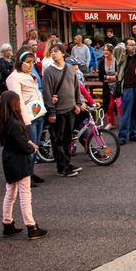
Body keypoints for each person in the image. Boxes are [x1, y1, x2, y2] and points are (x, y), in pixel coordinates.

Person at [0, 91, 48, 240]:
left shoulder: (3, 120)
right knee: (25, 194)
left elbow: (14, 141)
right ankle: (31, 226)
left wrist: (27, 143)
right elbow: (22, 145)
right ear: (14, 104)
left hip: (8, 159)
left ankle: (7, 223)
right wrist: (31, 147)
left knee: (10, 192)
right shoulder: (15, 122)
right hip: (19, 160)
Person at [42, 43, 84, 177]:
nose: (53, 53)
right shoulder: (48, 71)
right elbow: (47, 93)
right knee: (57, 140)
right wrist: (51, 111)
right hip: (58, 111)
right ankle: (61, 167)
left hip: (70, 109)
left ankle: (68, 162)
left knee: (68, 138)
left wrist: (78, 103)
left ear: (63, 53)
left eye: (56, 51)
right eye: (52, 51)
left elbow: (76, 87)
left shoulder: (70, 69)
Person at [6, 49, 46, 186]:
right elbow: (18, 101)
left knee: (35, 146)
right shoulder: (14, 77)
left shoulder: (29, 74)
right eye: (27, 62)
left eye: (32, 62)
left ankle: (31, 172)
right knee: (29, 146)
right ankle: (25, 176)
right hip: (28, 117)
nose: (30, 65)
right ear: (20, 62)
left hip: (38, 114)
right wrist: (25, 120)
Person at [98, 44, 122, 129]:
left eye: (107, 50)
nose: (105, 52)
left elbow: (119, 76)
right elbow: (101, 77)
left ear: (112, 51)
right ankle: (110, 123)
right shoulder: (101, 62)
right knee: (109, 105)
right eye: (104, 50)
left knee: (120, 104)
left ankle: (123, 122)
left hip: (118, 86)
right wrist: (112, 77)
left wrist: (107, 77)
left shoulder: (117, 61)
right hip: (107, 87)